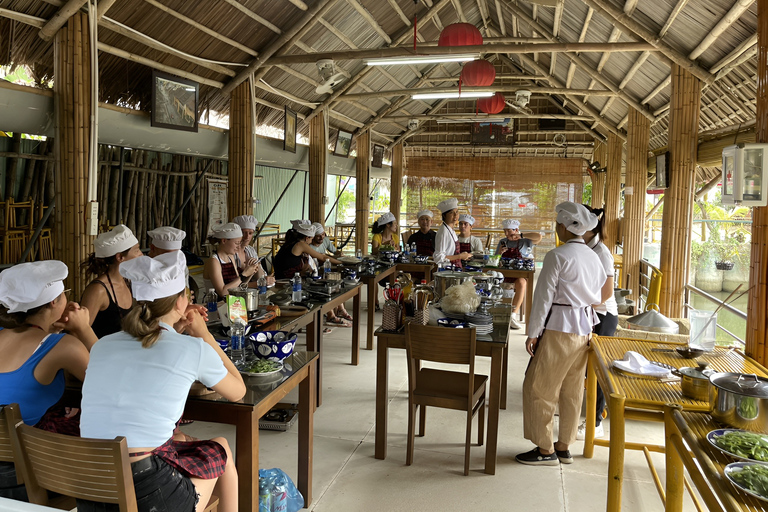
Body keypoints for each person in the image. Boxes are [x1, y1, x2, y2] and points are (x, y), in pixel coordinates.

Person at [79, 251, 245, 512]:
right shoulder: (192, 348)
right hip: (148, 492)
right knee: (221, 448)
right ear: (181, 301)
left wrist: (177, 332)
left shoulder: (103, 345)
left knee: (181, 438)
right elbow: (238, 391)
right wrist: (204, 336)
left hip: (94, 485)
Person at [516, 202, 606, 466]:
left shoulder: (558, 255)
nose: (557, 229)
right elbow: (600, 296)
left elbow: (543, 298)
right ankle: (564, 446)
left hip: (559, 326)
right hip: (584, 329)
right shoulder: (594, 256)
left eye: (558, 225)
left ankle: (545, 450)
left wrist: (533, 332)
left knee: (539, 387)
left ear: (565, 228)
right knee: (572, 388)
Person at [0, 261, 97, 501]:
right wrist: (84, 330)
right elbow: (110, 383)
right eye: (65, 294)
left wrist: (51, 331)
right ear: (54, 302)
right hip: (22, 476)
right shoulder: (64, 346)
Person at [576, 206, 618, 442]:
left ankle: (596, 423)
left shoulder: (601, 253)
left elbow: (606, 292)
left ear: (589, 228)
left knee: (597, 368)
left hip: (602, 316)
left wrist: (582, 304)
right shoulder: (586, 247)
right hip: (589, 311)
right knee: (585, 365)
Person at [80, 225, 143, 338]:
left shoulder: (128, 281)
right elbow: (81, 331)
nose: (141, 254)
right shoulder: (98, 290)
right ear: (120, 257)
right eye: (137, 250)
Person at [494, 219, 543, 330]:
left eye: (509, 231)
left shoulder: (525, 241)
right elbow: (495, 259)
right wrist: (499, 254)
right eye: (505, 231)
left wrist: (521, 235)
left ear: (516, 230)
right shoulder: (502, 241)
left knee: (521, 282)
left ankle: (513, 315)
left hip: (519, 275)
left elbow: (539, 237)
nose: (506, 234)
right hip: (504, 274)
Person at [310, 222, 353, 327]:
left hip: (324, 271)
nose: (321, 237)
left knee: (336, 283)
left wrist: (340, 254)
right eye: (318, 236)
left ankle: (340, 310)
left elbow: (334, 252)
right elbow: (323, 258)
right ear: (312, 237)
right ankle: (332, 314)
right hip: (315, 274)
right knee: (329, 286)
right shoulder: (308, 246)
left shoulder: (325, 240)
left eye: (323, 234)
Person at [203, 222, 260, 298]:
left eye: (240, 243)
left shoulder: (231, 257)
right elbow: (223, 292)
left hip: (231, 303)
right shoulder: (213, 262)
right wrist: (244, 274)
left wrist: (251, 272)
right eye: (236, 243)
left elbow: (238, 286)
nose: (239, 247)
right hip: (215, 305)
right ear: (224, 241)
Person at [273, 220, 341, 279]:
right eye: (311, 238)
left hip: (284, 278)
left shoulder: (292, 243)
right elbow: (323, 257)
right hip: (285, 281)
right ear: (307, 238)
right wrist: (343, 262)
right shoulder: (301, 245)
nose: (311, 241)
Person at [232, 215, 273, 287]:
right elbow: (233, 286)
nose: (247, 237)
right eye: (243, 233)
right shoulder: (231, 253)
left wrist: (257, 266)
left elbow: (260, 277)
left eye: (250, 233)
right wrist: (259, 283)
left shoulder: (250, 250)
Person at [434, 199, 472, 268]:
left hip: (454, 269)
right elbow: (438, 258)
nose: (455, 215)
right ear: (444, 216)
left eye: (456, 212)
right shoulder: (443, 232)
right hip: (446, 271)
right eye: (451, 213)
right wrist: (460, 256)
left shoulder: (451, 230)